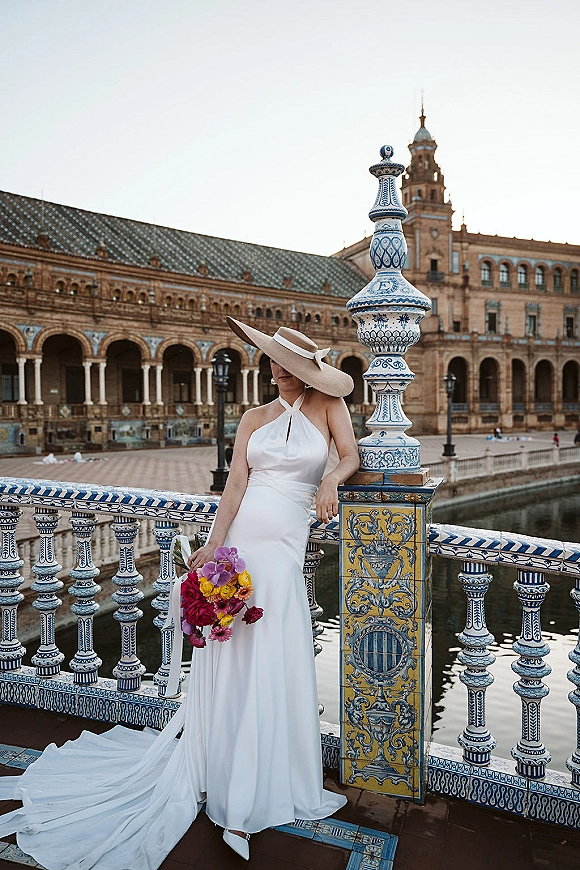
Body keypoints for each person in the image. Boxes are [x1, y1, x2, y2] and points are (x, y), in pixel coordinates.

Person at [0, 319, 360, 868]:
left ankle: (268, 775)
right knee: (234, 651)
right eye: (271, 362)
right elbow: (236, 483)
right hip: (242, 542)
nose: (277, 371)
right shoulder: (252, 417)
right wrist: (214, 547)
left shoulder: (328, 410)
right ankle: (228, 778)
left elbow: (352, 456)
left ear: (308, 371)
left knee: (277, 650)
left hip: (287, 544)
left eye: (287, 365)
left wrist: (332, 481)